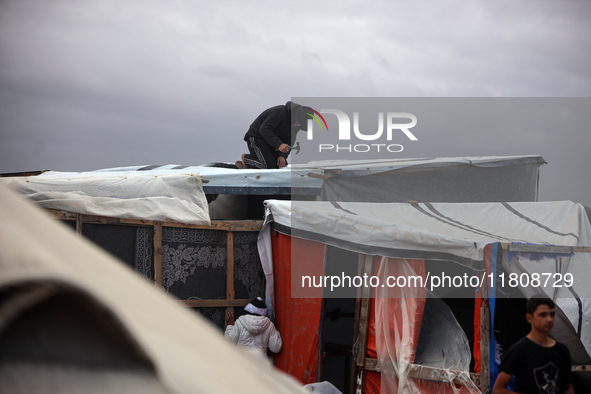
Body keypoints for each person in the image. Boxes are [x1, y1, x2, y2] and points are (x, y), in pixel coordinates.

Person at [492, 296, 574, 394]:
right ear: (529, 318)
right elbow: (498, 390)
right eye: (543, 315)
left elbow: (568, 387)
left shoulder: (561, 350)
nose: (549, 319)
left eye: (552, 314)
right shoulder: (517, 351)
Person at [236, 101, 311, 169]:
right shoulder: (279, 112)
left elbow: (289, 142)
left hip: (271, 143)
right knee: (268, 165)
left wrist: (282, 156)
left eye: (300, 125)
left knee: (280, 165)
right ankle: (246, 159)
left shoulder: (295, 126)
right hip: (256, 138)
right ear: (295, 116)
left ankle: (250, 166)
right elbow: (264, 129)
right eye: (298, 122)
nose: (297, 125)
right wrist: (279, 144)